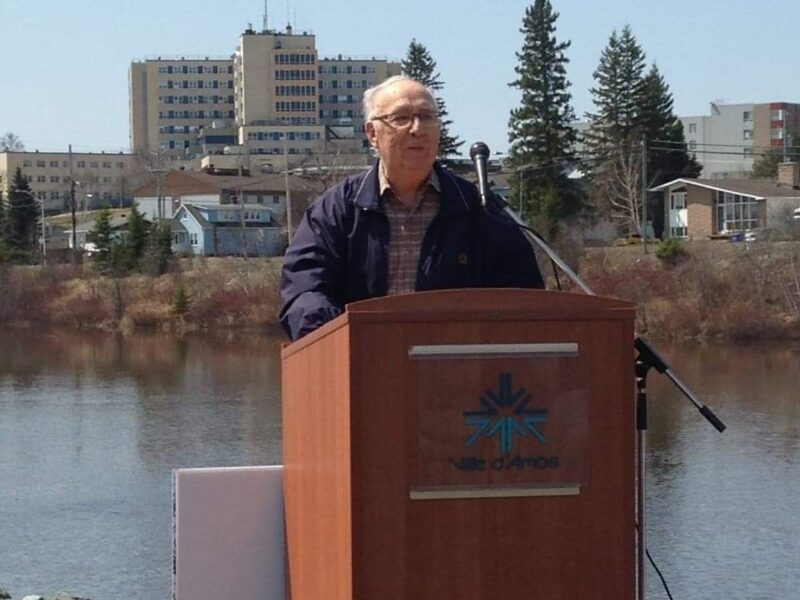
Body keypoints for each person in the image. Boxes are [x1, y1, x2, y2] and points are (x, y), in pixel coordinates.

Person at [279, 75, 544, 340]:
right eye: (401, 118)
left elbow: (521, 294)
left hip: (458, 370)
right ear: (372, 133)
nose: (417, 128)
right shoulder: (336, 210)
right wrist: (332, 339)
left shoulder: (475, 208)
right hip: (362, 367)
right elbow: (304, 287)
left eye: (427, 116)